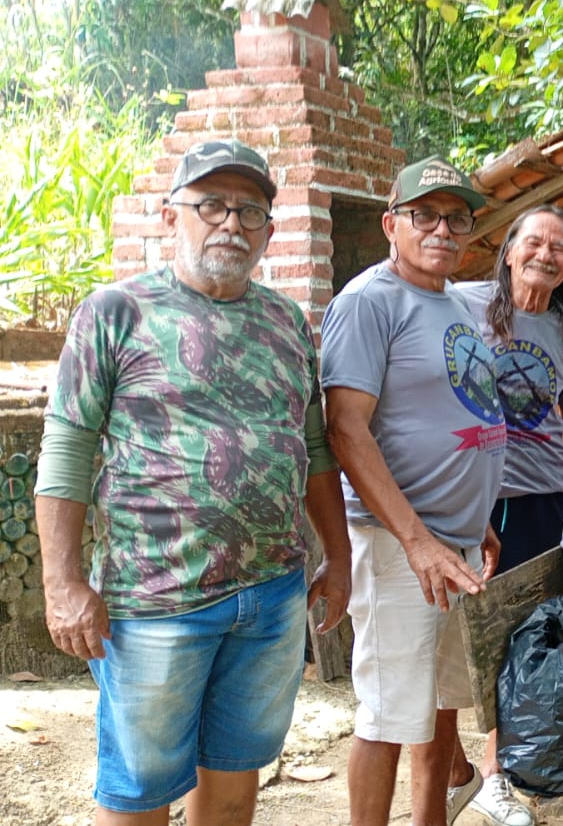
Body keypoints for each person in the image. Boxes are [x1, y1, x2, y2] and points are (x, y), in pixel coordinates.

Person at [35, 138, 351, 825]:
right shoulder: (114, 311)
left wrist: (340, 555)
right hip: (153, 600)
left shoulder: (287, 322)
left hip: (270, 597)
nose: (231, 223)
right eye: (211, 205)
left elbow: (315, 447)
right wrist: (62, 584)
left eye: (250, 211)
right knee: (139, 794)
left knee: (236, 783)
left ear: (269, 230)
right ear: (171, 214)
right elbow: (66, 446)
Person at [321, 155, 507, 826]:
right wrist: (419, 538)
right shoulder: (369, 301)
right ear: (390, 223)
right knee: (386, 711)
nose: (442, 228)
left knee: (440, 704)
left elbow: (466, 405)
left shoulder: (456, 301)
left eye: (456, 217)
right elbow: (345, 428)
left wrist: (476, 513)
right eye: (424, 214)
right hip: (401, 543)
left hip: (455, 540)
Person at [452, 204, 563, 825]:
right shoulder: (461, 305)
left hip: (544, 494)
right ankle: (485, 774)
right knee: (478, 636)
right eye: (533, 241)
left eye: (559, 247)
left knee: (534, 628)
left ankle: (510, 763)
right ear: (509, 250)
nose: (546, 253)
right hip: (478, 495)